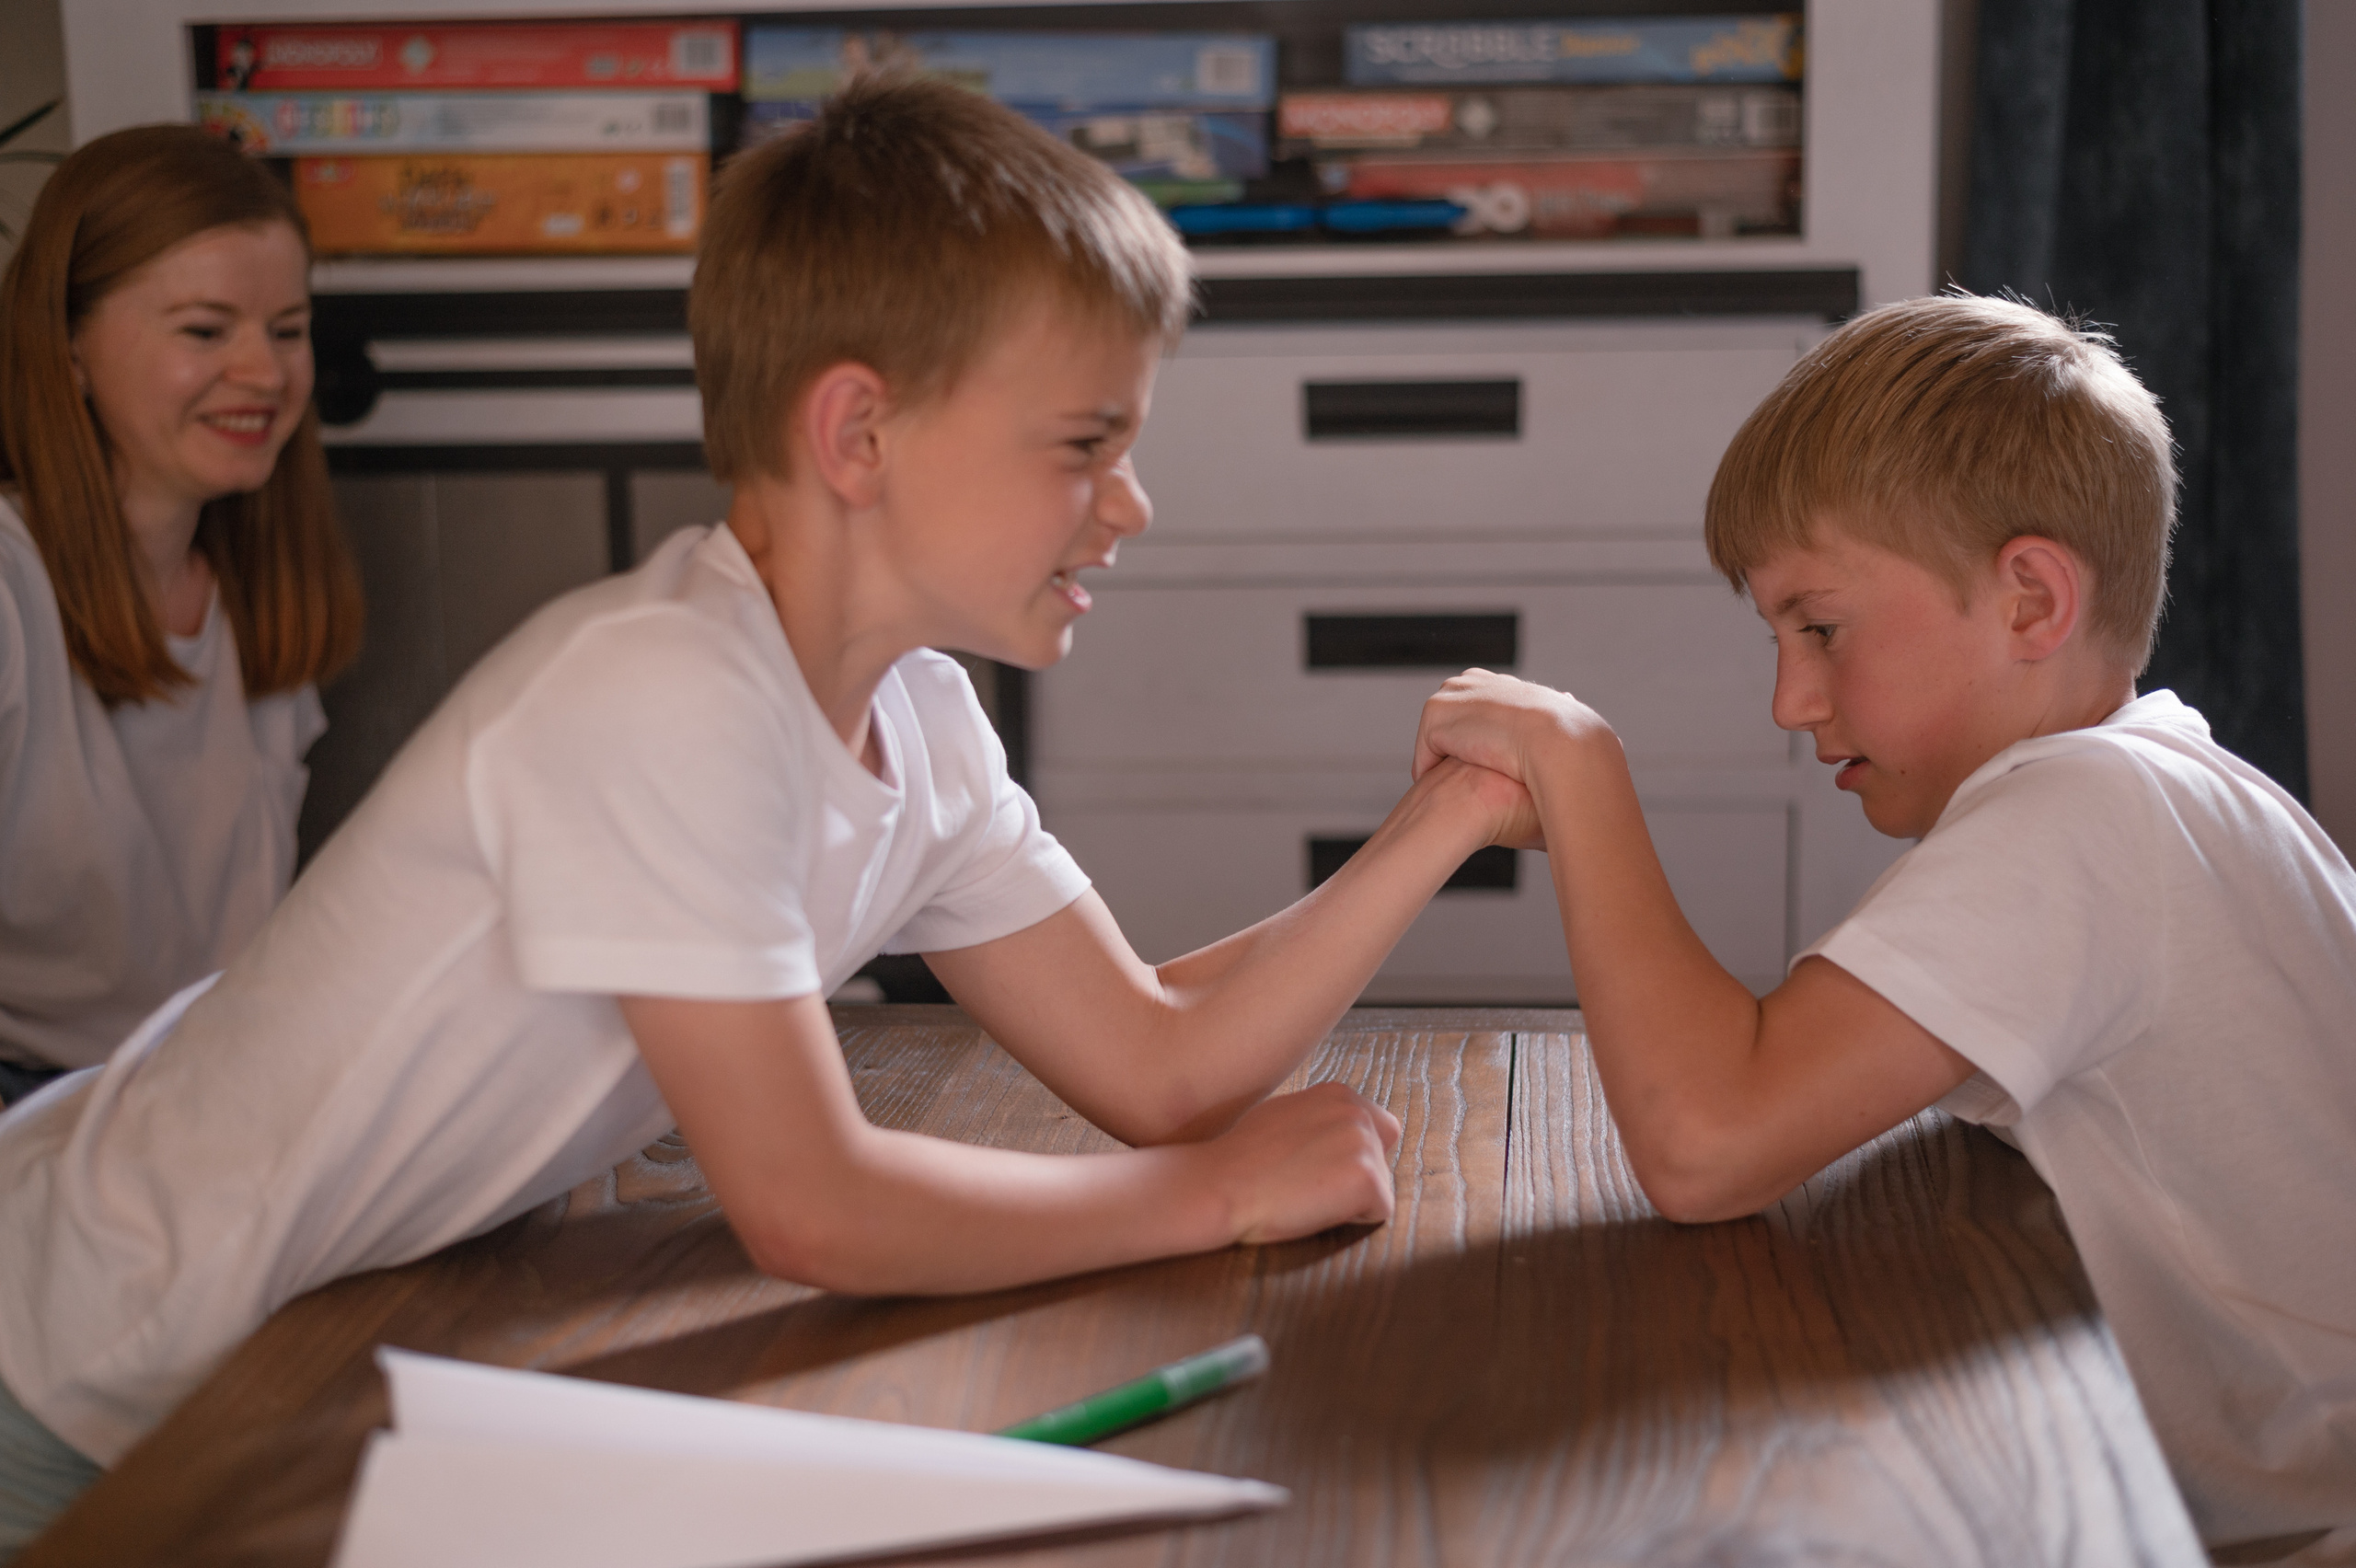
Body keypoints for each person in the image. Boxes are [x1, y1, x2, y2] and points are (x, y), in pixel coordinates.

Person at [0, 77, 1534, 1552]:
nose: (1129, 502)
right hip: (76, 1351)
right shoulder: (664, 686)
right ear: (856, 434)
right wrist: (1208, 1194)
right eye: (1086, 444)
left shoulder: (921, 719)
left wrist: (1443, 817)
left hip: (288, 1358)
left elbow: (1156, 1056)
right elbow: (816, 1206)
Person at [1412, 294, 2356, 1562]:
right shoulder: (2170, 777)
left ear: (2029, 601)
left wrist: (1583, 778)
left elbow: (1709, 1144)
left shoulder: (2081, 813)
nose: (1792, 699)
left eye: (1821, 628)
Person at [0, 125, 364, 1103]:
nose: (264, 373)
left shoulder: (257, 586)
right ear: (68, 347)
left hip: (204, 1086)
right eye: (205, 331)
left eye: (286, 331)